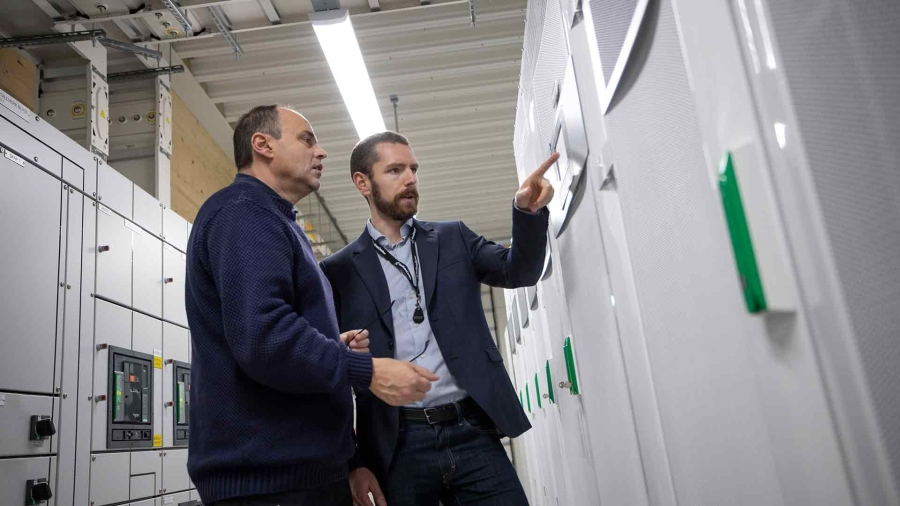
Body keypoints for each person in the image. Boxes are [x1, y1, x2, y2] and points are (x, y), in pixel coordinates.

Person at [185, 107, 439, 506]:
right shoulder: (244, 213)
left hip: (297, 473)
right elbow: (264, 338)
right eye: (307, 139)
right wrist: (366, 369)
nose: (320, 152)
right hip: (270, 483)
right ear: (262, 145)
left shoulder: (278, 221)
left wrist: (333, 348)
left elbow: (269, 333)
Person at [320, 131, 558, 505]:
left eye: (413, 169)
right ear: (362, 183)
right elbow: (328, 375)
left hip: (472, 433)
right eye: (395, 170)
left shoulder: (452, 238)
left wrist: (526, 214)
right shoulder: (337, 271)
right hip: (397, 447)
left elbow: (518, 273)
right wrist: (355, 461)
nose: (410, 178)